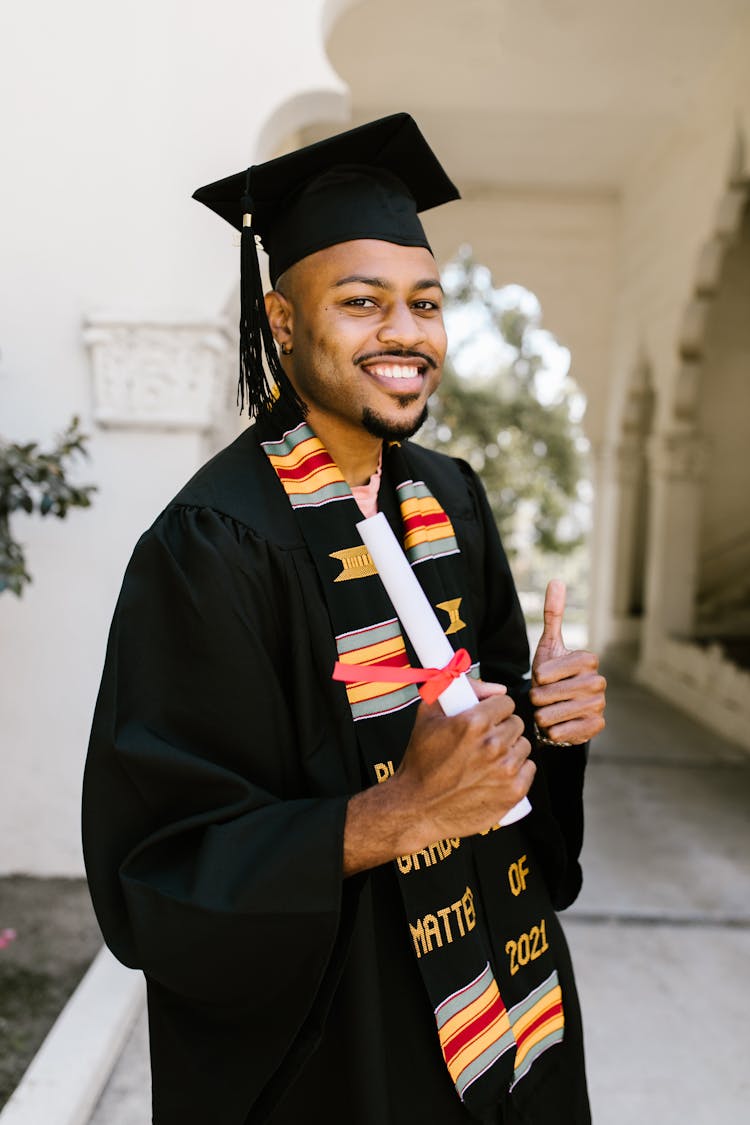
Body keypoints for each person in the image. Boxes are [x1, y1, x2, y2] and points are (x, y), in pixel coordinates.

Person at [82, 113, 606, 1125]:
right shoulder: (214, 545)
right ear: (282, 324)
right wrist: (394, 814)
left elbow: (500, 777)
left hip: (514, 1003)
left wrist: (550, 722)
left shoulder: (451, 499)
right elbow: (158, 873)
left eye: (424, 302)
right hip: (344, 1049)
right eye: (362, 303)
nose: (405, 333)